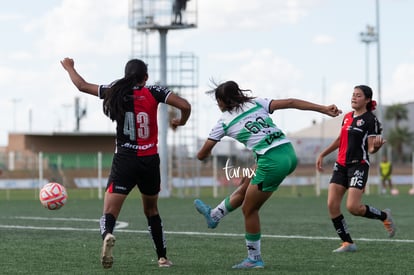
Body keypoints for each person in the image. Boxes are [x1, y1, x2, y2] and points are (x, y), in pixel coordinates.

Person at [194, 80, 342, 269]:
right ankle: (215, 215)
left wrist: (202, 154)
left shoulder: (223, 122)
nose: (218, 105)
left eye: (218, 101)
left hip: (272, 161)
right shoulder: (256, 103)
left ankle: (254, 258)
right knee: (246, 184)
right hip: (287, 152)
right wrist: (323, 109)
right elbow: (290, 102)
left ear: (222, 101)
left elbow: (201, 155)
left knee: (249, 209)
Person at [60, 57, 191, 268]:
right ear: (145, 77)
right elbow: (185, 105)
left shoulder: (115, 90)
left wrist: (70, 67)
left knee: (109, 213)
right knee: (152, 212)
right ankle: (162, 258)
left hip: (125, 160)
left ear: (126, 75)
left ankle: (108, 234)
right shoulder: (154, 91)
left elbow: (82, 85)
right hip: (149, 161)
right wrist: (180, 121)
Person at [316, 85, 396, 253]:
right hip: (340, 165)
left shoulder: (370, 120)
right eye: (353, 95)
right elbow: (340, 139)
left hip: (358, 165)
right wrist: (323, 154)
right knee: (332, 205)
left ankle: (384, 216)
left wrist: (377, 148)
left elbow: (371, 148)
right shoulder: (347, 117)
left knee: (353, 207)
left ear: (367, 100)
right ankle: (348, 243)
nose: (354, 98)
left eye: (358, 96)